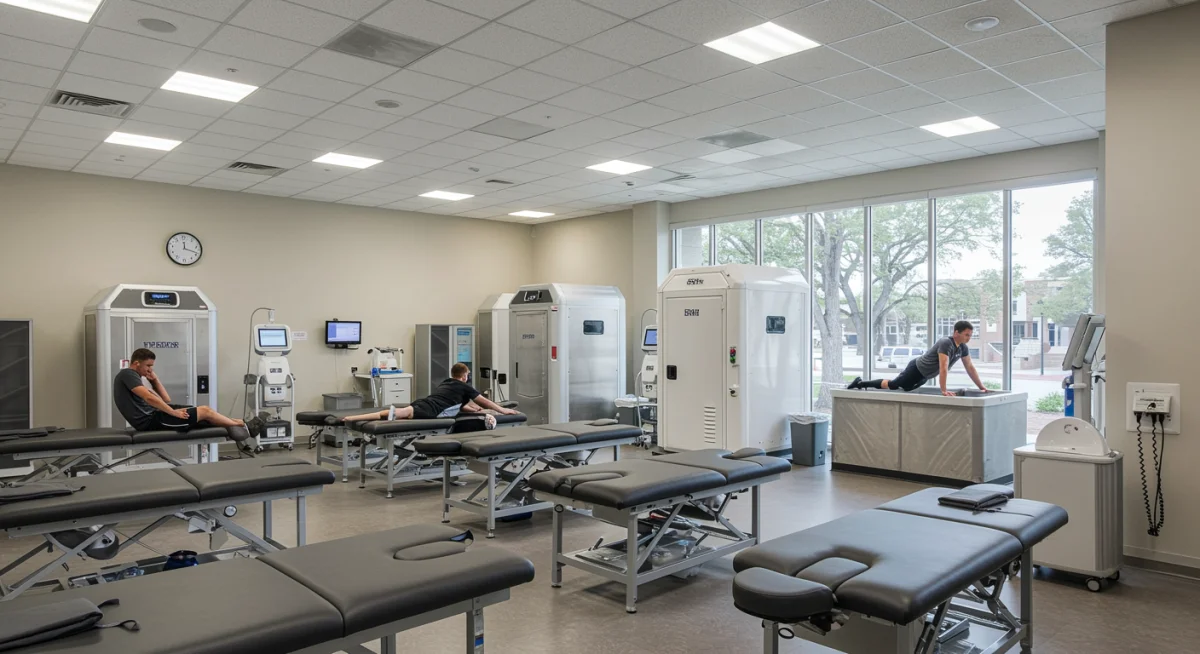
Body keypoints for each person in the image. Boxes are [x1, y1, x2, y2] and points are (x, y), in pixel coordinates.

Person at [114, 348, 253, 438]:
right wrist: (174, 413)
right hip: (149, 421)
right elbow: (149, 398)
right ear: (137, 363)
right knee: (205, 412)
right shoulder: (128, 374)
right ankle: (242, 425)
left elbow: (165, 399)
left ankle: (240, 424)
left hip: (154, 416)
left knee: (202, 412)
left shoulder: (137, 379)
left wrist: (155, 380)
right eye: (148, 366)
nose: (150, 369)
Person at [847, 320, 991, 397]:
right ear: (956, 333)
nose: (969, 337)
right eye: (966, 334)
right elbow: (943, 367)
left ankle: (861, 383)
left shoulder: (963, 348)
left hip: (925, 375)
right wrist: (943, 390)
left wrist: (982, 387)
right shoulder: (946, 343)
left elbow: (970, 368)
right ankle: (860, 383)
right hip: (916, 369)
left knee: (905, 388)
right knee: (893, 385)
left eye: (970, 335)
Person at [345, 363, 517, 425]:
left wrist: (470, 409)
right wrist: (502, 410)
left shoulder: (447, 382)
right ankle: (352, 418)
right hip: (431, 411)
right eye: (468, 374)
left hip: (426, 403)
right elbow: (484, 401)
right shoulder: (466, 387)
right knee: (398, 414)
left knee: (403, 413)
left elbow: (457, 404)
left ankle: (354, 417)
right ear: (464, 375)